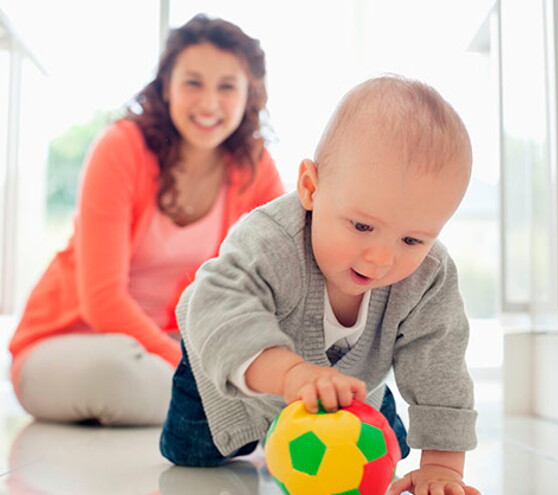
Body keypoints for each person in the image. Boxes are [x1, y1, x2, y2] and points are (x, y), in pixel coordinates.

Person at [161, 75, 480, 495]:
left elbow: (439, 362)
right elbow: (219, 306)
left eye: (412, 240)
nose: (380, 259)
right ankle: (248, 425)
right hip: (225, 364)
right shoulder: (269, 240)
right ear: (311, 188)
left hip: (348, 383)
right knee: (192, 453)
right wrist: (291, 374)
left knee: (390, 450)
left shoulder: (429, 274)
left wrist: (442, 466)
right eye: (362, 225)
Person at [8, 14, 285, 426]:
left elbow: (281, 279)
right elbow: (103, 303)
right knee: (119, 371)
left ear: (250, 95)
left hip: (166, 346)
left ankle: (216, 408)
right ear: (167, 86)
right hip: (69, 344)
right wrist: (199, 370)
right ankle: (219, 409)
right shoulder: (121, 148)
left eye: (227, 86)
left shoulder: (255, 168)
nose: (209, 103)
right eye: (193, 82)